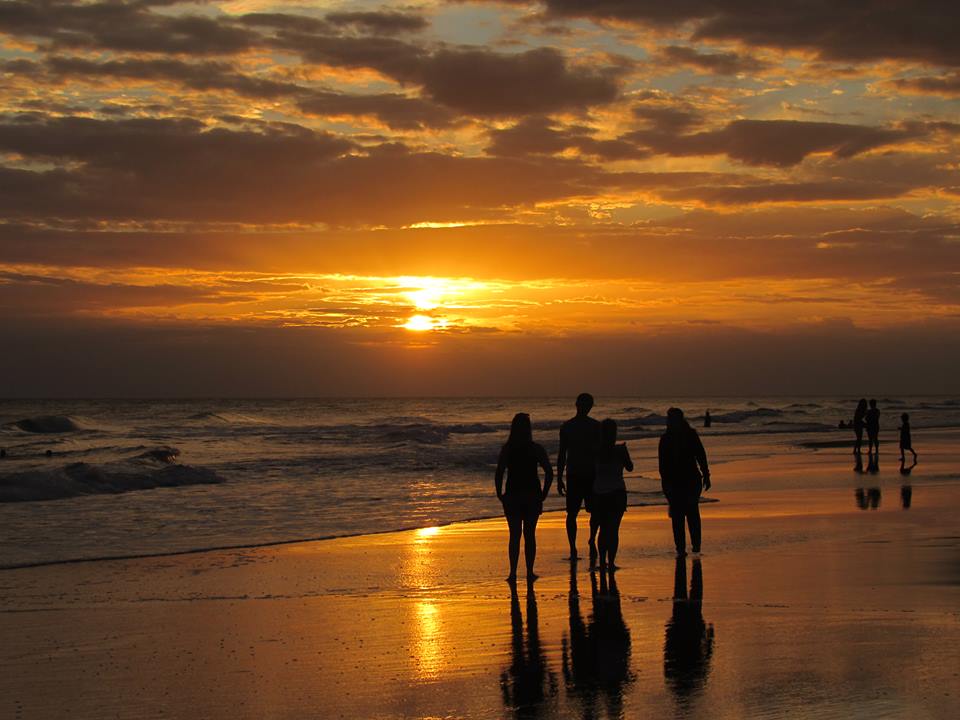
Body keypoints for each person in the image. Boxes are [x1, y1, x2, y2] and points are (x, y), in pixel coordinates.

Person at [496, 413, 553, 583]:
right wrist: (544, 492)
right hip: (532, 495)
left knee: (514, 535)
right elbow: (549, 472)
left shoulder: (508, 448)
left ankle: (513, 573)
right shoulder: (536, 448)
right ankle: (529, 571)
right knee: (529, 534)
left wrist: (500, 493)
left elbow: (499, 472)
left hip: (513, 495)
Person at [658, 408, 710, 557]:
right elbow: (701, 455)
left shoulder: (668, 438)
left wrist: (706, 474)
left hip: (686, 480)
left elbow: (700, 455)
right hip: (684, 481)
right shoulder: (680, 436)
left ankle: (690, 547)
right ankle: (687, 546)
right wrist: (706, 474)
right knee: (686, 513)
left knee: (683, 514)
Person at [557, 393, 601, 562]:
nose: (584, 408)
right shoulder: (569, 427)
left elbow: (600, 452)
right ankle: (574, 546)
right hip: (576, 473)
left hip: (588, 473)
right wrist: (560, 477)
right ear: (577, 405)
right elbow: (562, 454)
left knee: (591, 511)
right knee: (574, 512)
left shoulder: (593, 427)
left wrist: (560, 477)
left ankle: (588, 540)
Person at [592, 419, 633, 570]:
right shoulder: (620, 450)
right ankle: (611, 561)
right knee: (613, 529)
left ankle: (602, 561)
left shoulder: (595, 450)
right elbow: (630, 467)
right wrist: (624, 454)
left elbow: (590, 472)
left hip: (599, 493)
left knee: (603, 529)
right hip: (617, 492)